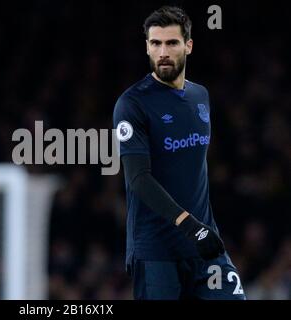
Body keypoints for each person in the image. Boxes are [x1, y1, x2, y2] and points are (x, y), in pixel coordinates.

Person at [113, 6, 246, 300]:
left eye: (171, 43)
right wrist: (190, 226)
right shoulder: (132, 104)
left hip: (204, 247)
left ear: (188, 45)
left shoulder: (201, 96)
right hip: (157, 252)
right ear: (147, 47)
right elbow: (139, 178)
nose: (162, 51)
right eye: (155, 43)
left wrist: (201, 231)